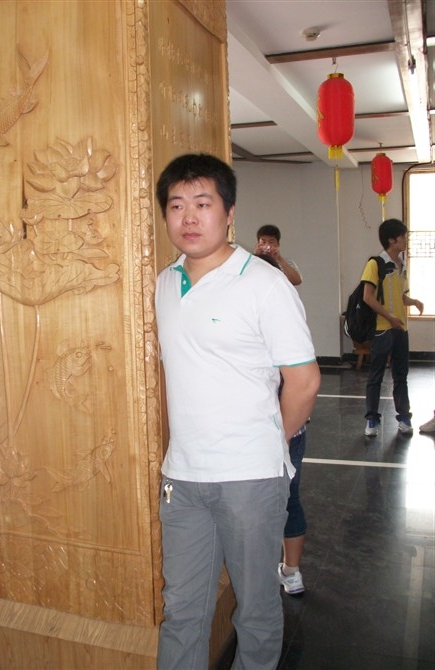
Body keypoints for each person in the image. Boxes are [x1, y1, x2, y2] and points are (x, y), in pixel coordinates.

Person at [155, 153, 320, 670]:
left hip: (250, 479)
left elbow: (304, 381)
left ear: (229, 213)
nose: (188, 217)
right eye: (176, 205)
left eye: (202, 204)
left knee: (256, 611)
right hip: (183, 479)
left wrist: (271, 441)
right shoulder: (165, 282)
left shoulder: (264, 284)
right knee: (181, 611)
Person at [255, 248, 307, 596]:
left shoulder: (256, 311)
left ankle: (268, 574)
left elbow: (304, 382)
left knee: (255, 505)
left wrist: (282, 436)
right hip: (288, 427)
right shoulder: (288, 311)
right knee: (288, 498)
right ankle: (291, 571)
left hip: (269, 428)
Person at [362, 218, 424, 437]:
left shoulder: (402, 264)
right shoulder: (376, 263)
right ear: (391, 239)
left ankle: (404, 417)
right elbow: (368, 297)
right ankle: (371, 420)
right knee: (376, 375)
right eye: (403, 236)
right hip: (382, 328)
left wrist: (413, 301)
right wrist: (389, 317)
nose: (406, 239)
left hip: (400, 329)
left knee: (400, 375)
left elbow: (400, 296)